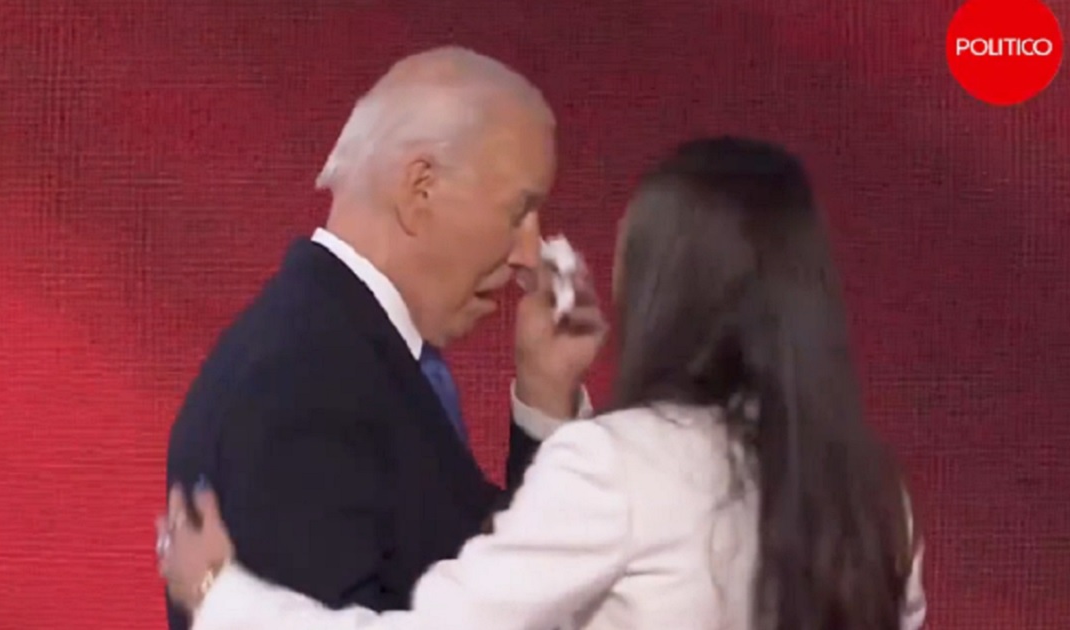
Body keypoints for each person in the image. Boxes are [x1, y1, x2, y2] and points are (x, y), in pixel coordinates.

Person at [158, 137, 928, 630]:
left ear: (666, 287)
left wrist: (226, 597)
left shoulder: (623, 469)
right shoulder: (874, 495)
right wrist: (550, 399)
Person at [161, 47, 607, 630]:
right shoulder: (303, 380)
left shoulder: (354, 358)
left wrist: (547, 396)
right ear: (420, 188)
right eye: (518, 212)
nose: (529, 253)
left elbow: (505, 591)